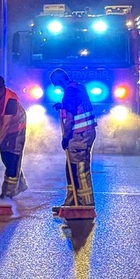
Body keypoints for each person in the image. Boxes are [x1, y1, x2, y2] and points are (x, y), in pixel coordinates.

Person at [50, 69, 97, 212]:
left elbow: (70, 118)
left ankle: (85, 204)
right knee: (70, 167)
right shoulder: (78, 87)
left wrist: (65, 137)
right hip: (85, 133)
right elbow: (76, 107)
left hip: (79, 135)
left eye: (56, 84)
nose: (56, 87)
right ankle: (72, 201)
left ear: (59, 81)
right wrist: (62, 106)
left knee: (79, 169)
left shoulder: (69, 92)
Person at [0, 75, 28, 198]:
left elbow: (6, 126)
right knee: (5, 156)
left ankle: (7, 194)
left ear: (4, 87)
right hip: (3, 126)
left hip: (17, 128)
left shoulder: (11, 100)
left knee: (13, 158)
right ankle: (21, 184)